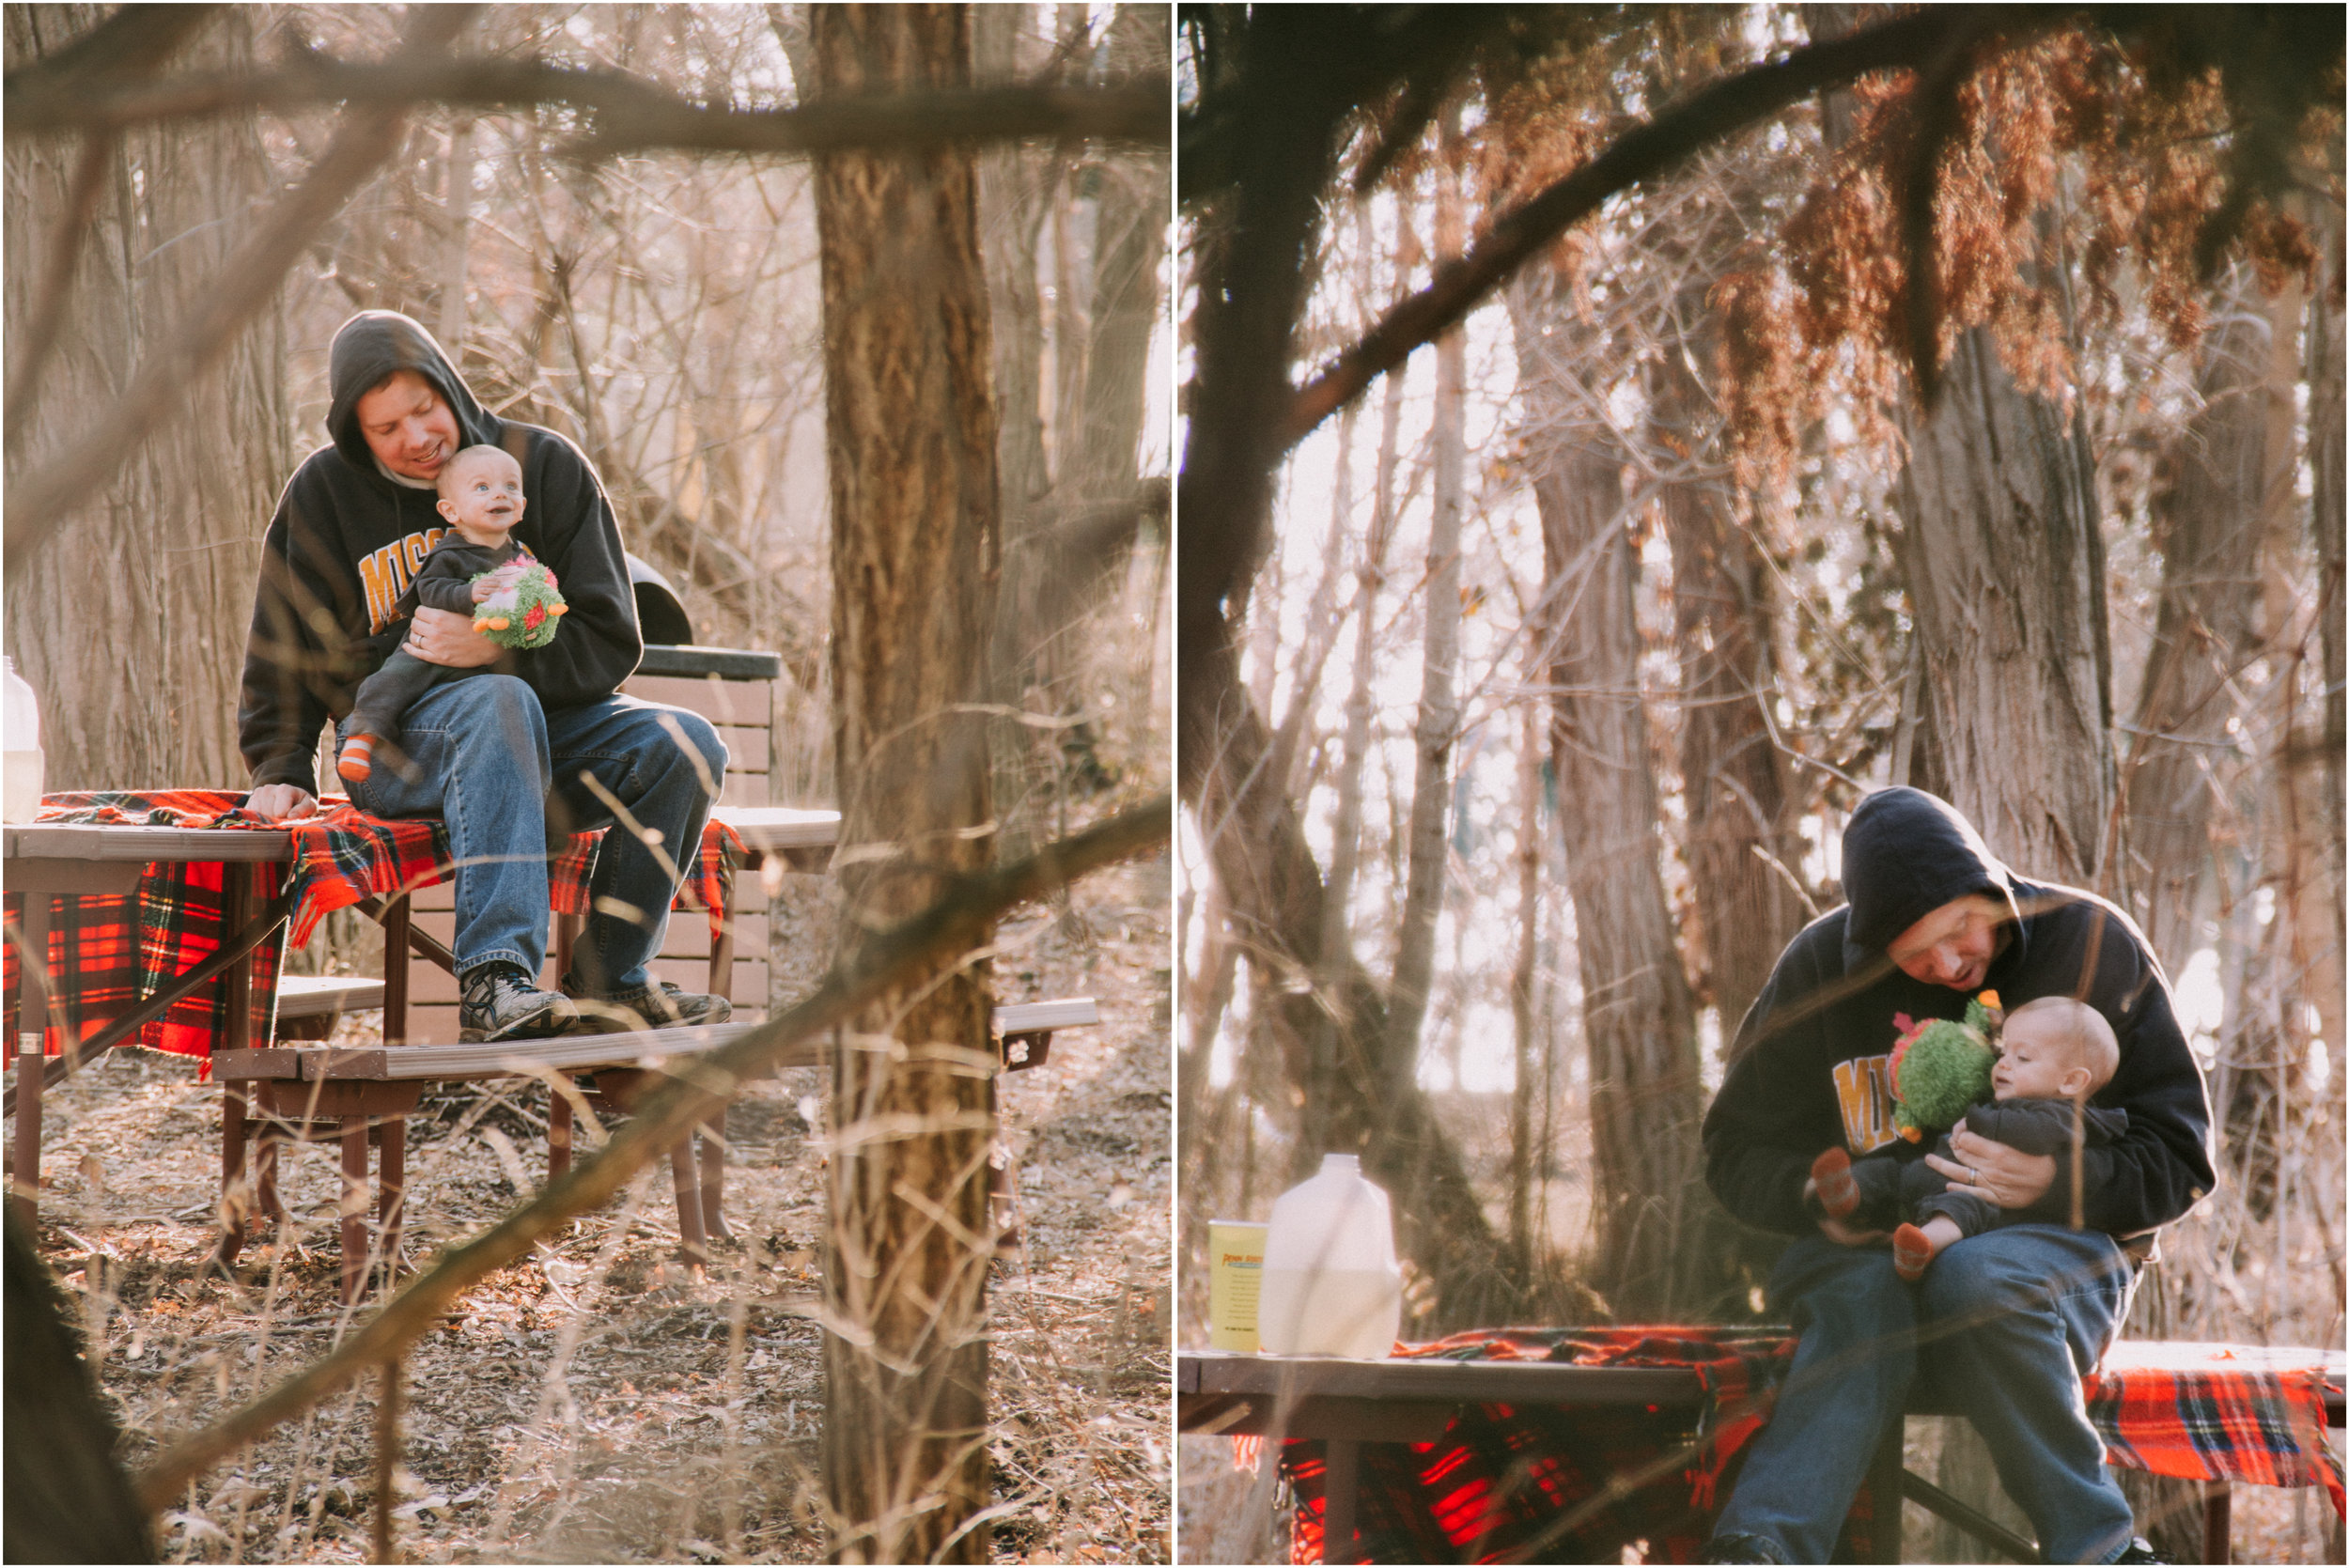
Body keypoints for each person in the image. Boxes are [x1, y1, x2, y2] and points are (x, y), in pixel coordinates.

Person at [1700, 786, 2214, 1566]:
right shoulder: (1819, 968)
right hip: (1866, 1259)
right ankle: (1760, 1548)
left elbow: (2181, 1157)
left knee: (1978, 1275)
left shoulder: (2092, 942)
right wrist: (1815, 1198)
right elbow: (1733, 1150)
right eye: (1913, 953)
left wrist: (2052, 1178)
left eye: (1960, 929)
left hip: (2043, 1265)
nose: (1947, 964)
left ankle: (2099, 1551)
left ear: (1991, 891)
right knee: (1864, 1295)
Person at [239, 310, 732, 1044]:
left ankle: (610, 982)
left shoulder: (544, 466)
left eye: (423, 409)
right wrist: (281, 764)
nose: (415, 437)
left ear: (449, 387)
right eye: (386, 428)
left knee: (685, 742)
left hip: (548, 730)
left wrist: (497, 647)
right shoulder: (325, 493)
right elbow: (283, 646)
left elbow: (610, 639)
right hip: (400, 748)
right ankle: (495, 982)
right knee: (498, 703)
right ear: (356, 433)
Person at [1809, 996, 2129, 1280]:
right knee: (1888, 1171)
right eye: (2004, 1050)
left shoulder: (2065, 1116)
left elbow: (2034, 1136)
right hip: (1932, 1171)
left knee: (1961, 1209)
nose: (2002, 1063)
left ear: (2071, 1081)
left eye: (2024, 1058)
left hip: (1975, 1193)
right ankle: (1846, 1193)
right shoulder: (2011, 1098)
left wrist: (1977, 1119)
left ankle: (1924, 1244)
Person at [334, 443, 551, 784]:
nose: (500, 494)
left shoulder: (522, 558)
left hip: (482, 667)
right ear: (451, 511)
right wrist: (468, 594)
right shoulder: (450, 551)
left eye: (510, 487)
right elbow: (429, 589)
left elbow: (533, 601)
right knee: (394, 679)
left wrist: (538, 611)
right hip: (429, 648)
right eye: (482, 488)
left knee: (510, 694)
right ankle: (362, 740)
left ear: (522, 506)